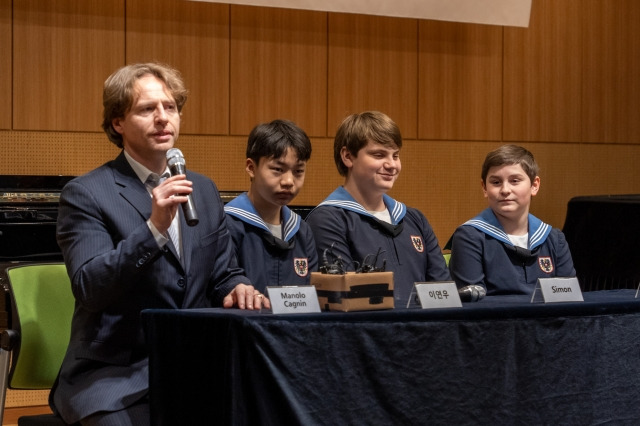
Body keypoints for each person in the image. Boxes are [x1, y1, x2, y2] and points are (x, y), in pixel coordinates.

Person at [50, 63, 269, 426]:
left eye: (170, 107)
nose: (163, 118)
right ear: (118, 123)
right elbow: (90, 287)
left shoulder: (204, 190)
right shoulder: (86, 194)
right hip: (116, 374)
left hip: (196, 367)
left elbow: (222, 274)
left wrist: (239, 286)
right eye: (147, 109)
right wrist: (154, 229)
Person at [305, 111, 450, 307]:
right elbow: (349, 297)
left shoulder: (414, 219)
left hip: (425, 333)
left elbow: (443, 291)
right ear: (348, 156)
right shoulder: (327, 220)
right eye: (379, 154)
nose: (392, 165)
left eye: (395, 155)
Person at [448, 144, 575, 295]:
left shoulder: (554, 239)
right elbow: (472, 306)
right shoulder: (470, 237)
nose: (505, 190)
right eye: (496, 182)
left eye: (515, 181)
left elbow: (568, 298)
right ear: (484, 188)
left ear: (534, 185)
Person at [224, 119, 318, 291]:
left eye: (298, 171)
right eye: (277, 169)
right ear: (251, 168)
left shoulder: (302, 231)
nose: (289, 181)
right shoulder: (227, 225)